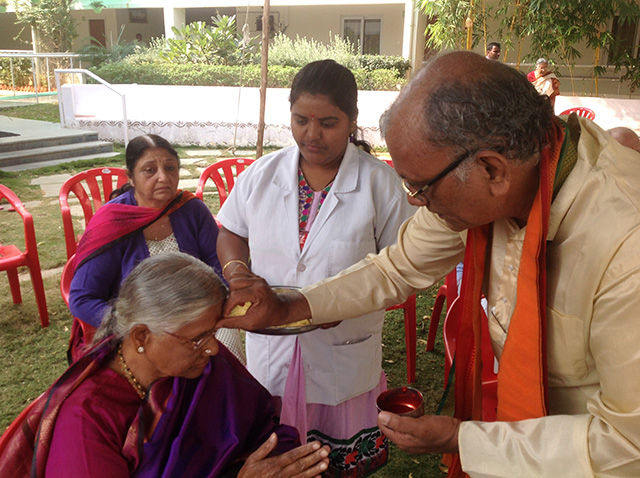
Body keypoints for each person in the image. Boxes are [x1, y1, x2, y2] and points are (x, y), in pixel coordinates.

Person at [220, 51, 640, 477]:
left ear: (492, 170)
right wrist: (290, 308)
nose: (414, 202)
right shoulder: (504, 178)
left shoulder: (626, 245)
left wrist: (462, 438)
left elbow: (629, 444)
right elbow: (394, 267)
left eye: (421, 187)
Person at [216, 59, 416, 477]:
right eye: (301, 120)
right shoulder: (261, 175)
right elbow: (231, 230)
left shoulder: (379, 185)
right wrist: (237, 272)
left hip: (342, 350)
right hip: (272, 347)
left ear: (352, 121)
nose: (312, 134)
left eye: (327, 122)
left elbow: (402, 268)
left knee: (336, 462)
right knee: (274, 454)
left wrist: (339, 305)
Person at [0, 252, 331, 477]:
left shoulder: (202, 366)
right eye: (199, 337)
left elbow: (265, 430)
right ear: (142, 335)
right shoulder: (85, 419)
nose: (214, 349)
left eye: (213, 332)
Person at [68, 134, 243, 364]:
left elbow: (218, 268)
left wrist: (206, 311)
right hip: (141, 331)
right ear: (131, 177)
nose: (163, 177)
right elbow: (82, 298)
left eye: (170, 168)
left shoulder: (192, 210)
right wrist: (140, 326)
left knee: (224, 348)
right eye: (150, 170)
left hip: (199, 318)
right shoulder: (113, 222)